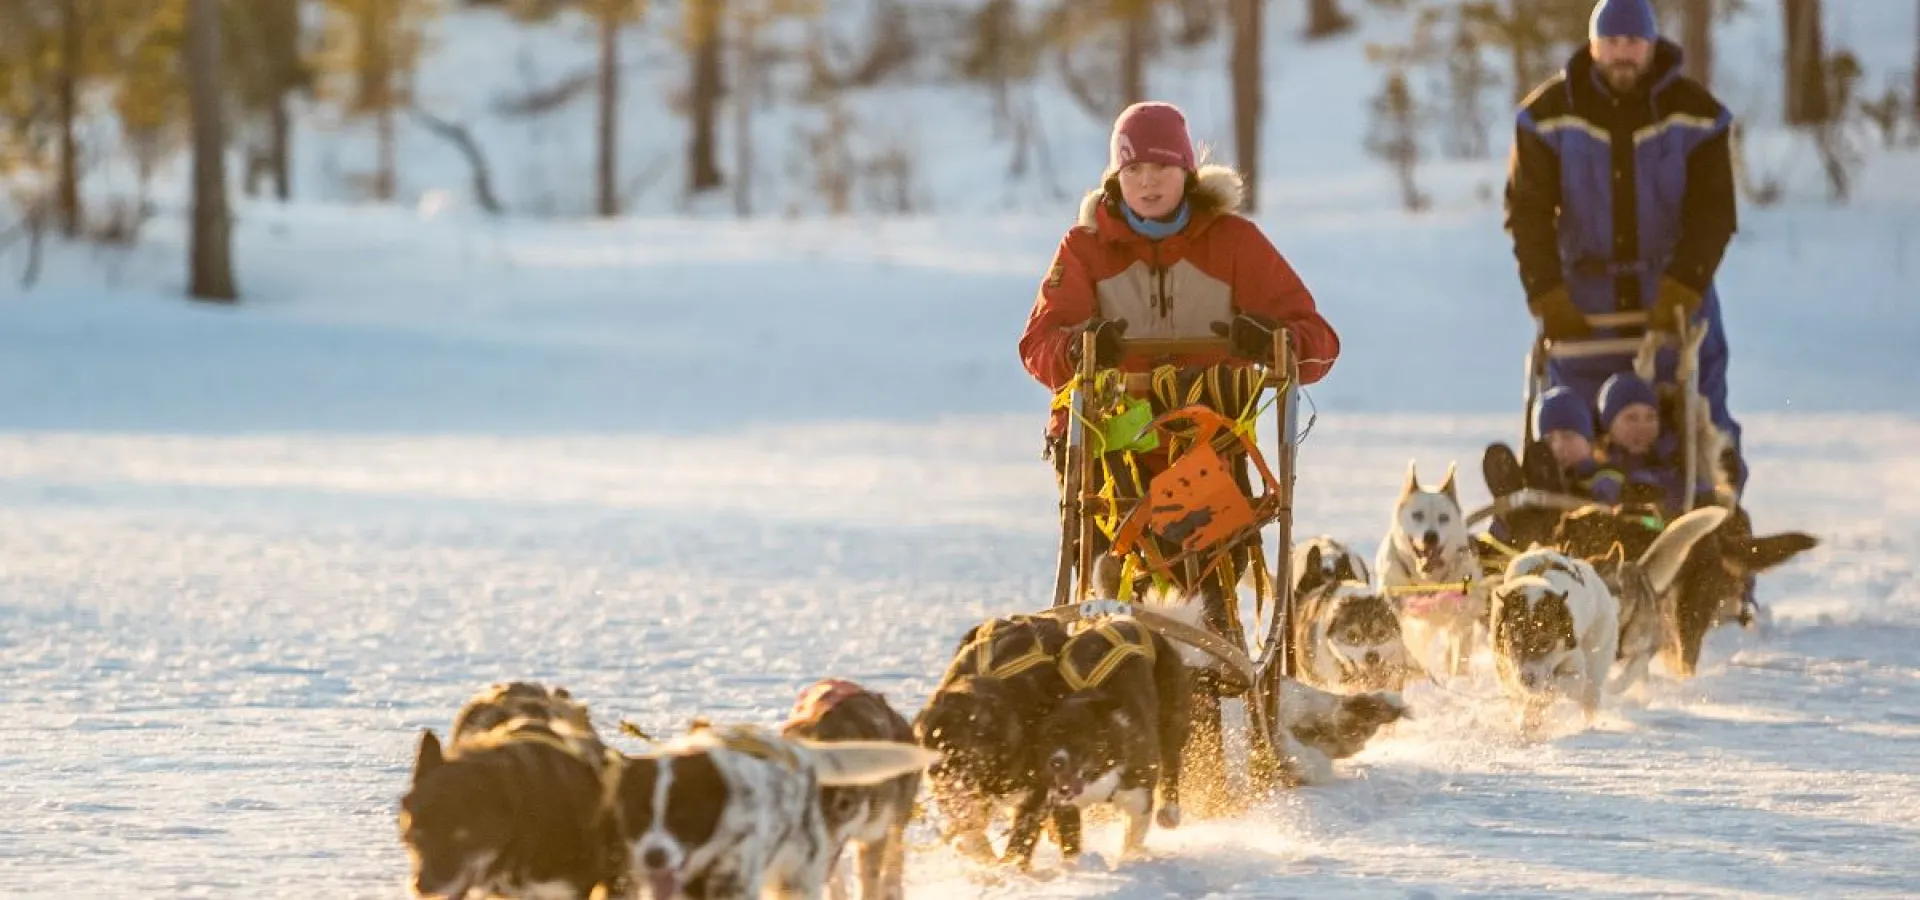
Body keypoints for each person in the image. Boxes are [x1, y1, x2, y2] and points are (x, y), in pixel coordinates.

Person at [1504, 0, 1746, 496]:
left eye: (1633, 43)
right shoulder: (1546, 116)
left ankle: (1712, 520)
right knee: (1573, 418)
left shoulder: (1697, 115)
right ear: (1592, 46)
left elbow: (1713, 212)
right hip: (1581, 303)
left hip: (1676, 294)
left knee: (1696, 415)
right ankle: (1568, 515)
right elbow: (1527, 213)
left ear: (1651, 45)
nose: (1622, 54)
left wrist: (1682, 286)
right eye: (1612, 43)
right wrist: (1547, 293)